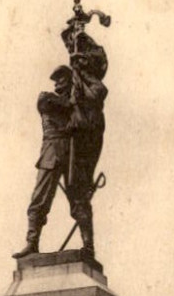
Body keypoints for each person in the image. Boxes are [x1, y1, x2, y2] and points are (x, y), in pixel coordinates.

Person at [13, 33, 108, 260]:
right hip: (52, 154)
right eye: (58, 82)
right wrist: (75, 97)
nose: (59, 85)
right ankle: (31, 242)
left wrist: (81, 75)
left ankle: (89, 246)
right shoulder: (47, 99)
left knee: (79, 201)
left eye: (64, 81)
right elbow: (57, 105)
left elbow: (94, 102)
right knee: (39, 199)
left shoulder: (78, 103)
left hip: (75, 154)